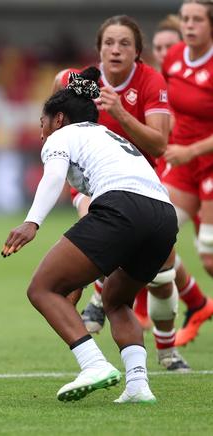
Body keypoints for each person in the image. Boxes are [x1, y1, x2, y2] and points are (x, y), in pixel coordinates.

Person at [4, 67, 177, 403]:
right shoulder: (110, 137)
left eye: (42, 122)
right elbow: (103, 242)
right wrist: (80, 279)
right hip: (162, 216)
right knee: (116, 299)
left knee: (42, 288)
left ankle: (94, 364)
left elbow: (53, 178)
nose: (41, 132)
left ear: (58, 119)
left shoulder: (62, 136)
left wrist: (32, 222)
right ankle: (138, 385)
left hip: (122, 206)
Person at [54, 16, 189, 371]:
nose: (115, 49)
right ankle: (98, 291)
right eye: (108, 43)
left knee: (162, 277)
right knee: (96, 222)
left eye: (124, 43)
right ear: (99, 49)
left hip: (143, 187)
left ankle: (167, 348)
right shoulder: (83, 83)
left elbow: (159, 145)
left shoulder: (149, 81)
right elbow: (56, 113)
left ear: (138, 52)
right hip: (95, 187)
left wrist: (120, 113)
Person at [161, 0, 213, 347]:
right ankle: (196, 303)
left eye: (197, 19)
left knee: (208, 254)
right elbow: (167, 105)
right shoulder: (174, 56)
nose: (189, 25)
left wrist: (191, 150)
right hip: (180, 164)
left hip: (208, 161)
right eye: (185, 19)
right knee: (154, 233)